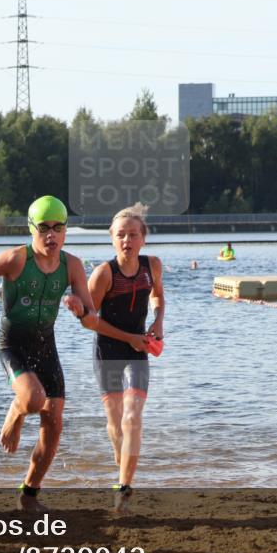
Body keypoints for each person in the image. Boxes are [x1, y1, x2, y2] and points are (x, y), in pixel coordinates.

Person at [0, 196, 138, 513]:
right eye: (43, 228)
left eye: (58, 227)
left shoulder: (72, 265)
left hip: (46, 343)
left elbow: (90, 316)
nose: (51, 235)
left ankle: (28, 494)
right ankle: (16, 413)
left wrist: (79, 308)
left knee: (54, 422)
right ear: (32, 229)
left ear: (65, 231)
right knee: (32, 399)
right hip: (13, 342)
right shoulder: (17, 259)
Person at [81, 206, 164, 512]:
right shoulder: (104, 273)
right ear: (112, 240)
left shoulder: (152, 266)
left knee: (132, 417)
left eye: (133, 234)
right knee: (115, 423)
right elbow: (89, 321)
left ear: (143, 238)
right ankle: (122, 465)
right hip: (108, 351)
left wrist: (158, 321)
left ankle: (124, 488)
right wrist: (128, 337)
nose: (127, 240)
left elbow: (157, 298)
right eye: (121, 235)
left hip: (138, 351)